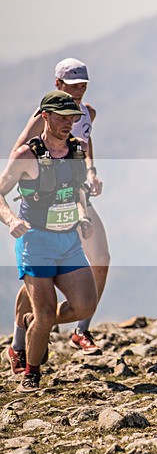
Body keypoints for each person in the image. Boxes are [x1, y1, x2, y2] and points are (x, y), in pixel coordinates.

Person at [8, 58, 108, 362]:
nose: (78, 91)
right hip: (43, 209)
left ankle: (81, 328)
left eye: (83, 86)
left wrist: (90, 172)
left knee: (101, 259)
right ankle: (19, 340)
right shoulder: (43, 117)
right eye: (73, 86)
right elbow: (19, 152)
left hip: (76, 199)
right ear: (58, 84)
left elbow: (84, 146)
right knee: (35, 284)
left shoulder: (87, 113)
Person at [0, 90, 98, 392]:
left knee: (84, 306)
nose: (69, 123)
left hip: (68, 240)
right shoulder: (26, 155)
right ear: (45, 117)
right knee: (45, 314)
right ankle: (31, 373)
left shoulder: (77, 151)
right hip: (36, 242)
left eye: (73, 118)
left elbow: (78, 189)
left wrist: (83, 215)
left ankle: (33, 327)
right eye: (62, 118)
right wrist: (11, 219)